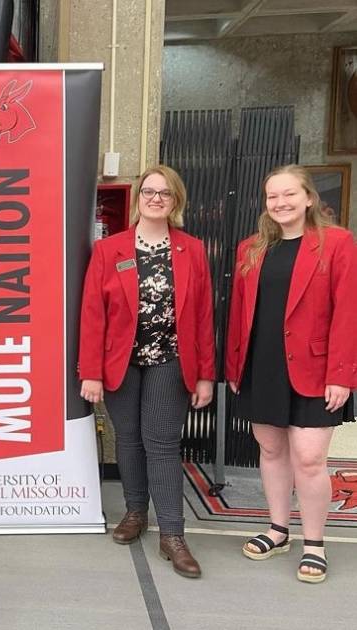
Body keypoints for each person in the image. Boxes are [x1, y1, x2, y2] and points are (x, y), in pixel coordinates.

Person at [78, 164, 214, 579]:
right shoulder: (109, 250)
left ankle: (172, 534)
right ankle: (136, 512)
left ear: (176, 202)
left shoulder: (191, 249)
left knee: (162, 443)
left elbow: (204, 315)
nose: (156, 199)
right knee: (130, 440)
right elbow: (92, 314)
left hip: (169, 361)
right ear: (139, 199)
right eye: (150, 192)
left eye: (165, 194)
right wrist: (91, 371)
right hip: (120, 362)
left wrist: (206, 374)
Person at [226, 164, 357, 584]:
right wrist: (234, 365)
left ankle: (314, 542)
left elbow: (349, 312)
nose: (280, 203)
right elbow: (238, 314)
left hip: (317, 369)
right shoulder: (251, 248)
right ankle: (278, 529)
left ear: (308, 198)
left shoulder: (337, 243)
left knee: (309, 457)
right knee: (270, 451)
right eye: (272, 197)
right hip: (262, 365)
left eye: (288, 195)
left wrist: (342, 374)